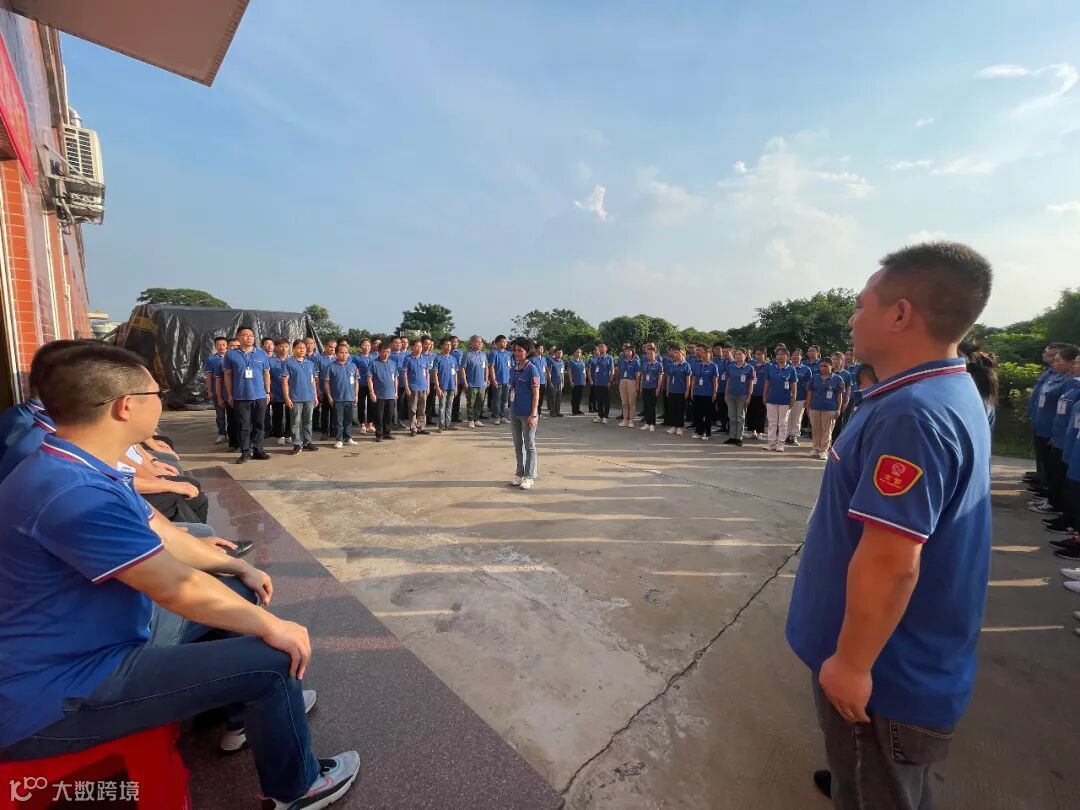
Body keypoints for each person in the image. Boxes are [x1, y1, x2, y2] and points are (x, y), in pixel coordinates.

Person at [0, 343, 360, 808]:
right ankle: (297, 788)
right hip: (60, 693)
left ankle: (244, 719)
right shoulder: (72, 491)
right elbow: (175, 586)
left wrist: (237, 565)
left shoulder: (78, 463)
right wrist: (276, 626)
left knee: (237, 590)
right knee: (271, 660)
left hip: (99, 640)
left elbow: (162, 532)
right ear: (125, 406)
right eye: (156, 394)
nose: (162, 403)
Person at [786, 241, 993, 809]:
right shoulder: (940, 389)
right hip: (895, 662)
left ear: (900, 314)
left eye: (860, 305)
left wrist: (852, 664)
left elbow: (891, 561)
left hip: (884, 677)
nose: (852, 319)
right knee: (869, 780)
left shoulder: (913, 414)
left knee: (875, 791)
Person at [222, 327, 272, 465]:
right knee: (243, 426)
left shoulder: (261, 354)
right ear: (238, 337)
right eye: (245, 335)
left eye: (251, 335)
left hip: (259, 396)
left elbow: (266, 374)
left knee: (259, 424)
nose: (249, 338)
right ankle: (245, 451)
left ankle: (258, 450)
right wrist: (230, 395)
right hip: (241, 396)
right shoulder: (231, 355)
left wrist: (267, 392)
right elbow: (227, 375)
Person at [508, 338, 540, 490]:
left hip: (527, 413)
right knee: (517, 445)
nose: (517, 353)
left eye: (520, 350)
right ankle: (519, 473)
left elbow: (536, 394)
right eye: (515, 350)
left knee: (529, 445)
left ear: (527, 352)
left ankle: (529, 476)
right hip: (515, 412)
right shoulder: (514, 369)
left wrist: (533, 415)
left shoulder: (532, 369)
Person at [284, 339, 319, 455]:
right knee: (295, 422)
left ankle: (307, 442)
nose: (302, 350)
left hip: (309, 397)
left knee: (308, 421)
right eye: (299, 348)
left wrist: (315, 396)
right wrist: (287, 398)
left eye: (303, 348)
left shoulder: (310, 363)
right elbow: (285, 382)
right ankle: (297, 444)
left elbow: (313, 381)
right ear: (293, 349)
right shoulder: (288, 363)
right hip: (295, 398)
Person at [322, 341, 359, 449]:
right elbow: (326, 383)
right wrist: (329, 397)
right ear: (336, 354)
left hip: (350, 398)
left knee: (348, 420)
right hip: (338, 399)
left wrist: (356, 395)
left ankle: (348, 438)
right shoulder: (331, 367)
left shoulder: (352, 366)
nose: (344, 355)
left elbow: (356, 381)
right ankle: (339, 439)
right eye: (342, 352)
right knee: (338, 421)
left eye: (346, 352)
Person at [806, 357, 844, 460]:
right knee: (816, 429)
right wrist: (808, 405)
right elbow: (810, 392)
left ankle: (824, 450)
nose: (823, 368)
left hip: (830, 408)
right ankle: (815, 448)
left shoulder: (837, 379)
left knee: (827, 431)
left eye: (825, 366)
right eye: (821, 366)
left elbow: (839, 395)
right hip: (815, 407)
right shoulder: (815, 378)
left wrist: (838, 409)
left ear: (831, 366)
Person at [763, 347, 797, 452]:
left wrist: (794, 397)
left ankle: (780, 443)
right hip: (771, 398)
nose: (780, 356)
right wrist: (764, 395)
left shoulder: (791, 369)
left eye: (782, 354)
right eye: (778, 354)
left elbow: (793, 384)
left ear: (787, 356)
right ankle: (771, 442)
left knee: (782, 423)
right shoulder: (771, 368)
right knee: (772, 422)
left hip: (785, 399)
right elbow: (767, 382)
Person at [723, 348, 755, 446]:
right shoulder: (730, 367)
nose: (738, 356)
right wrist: (726, 394)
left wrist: (749, 396)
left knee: (740, 417)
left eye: (740, 354)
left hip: (742, 395)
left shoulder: (749, 368)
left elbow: (751, 383)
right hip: (731, 395)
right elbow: (728, 381)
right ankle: (732, 437)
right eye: (736, 354)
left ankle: (739, 438)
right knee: (732, 417)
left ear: (745, 356)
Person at [401, 339, 432, 436]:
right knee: (412, 409)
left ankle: (421, 427)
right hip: (413, 388)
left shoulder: (424, 359)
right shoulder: (408, 359)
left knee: (422, 409)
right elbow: (405, 374)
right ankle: (413, 428)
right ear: (412, 347)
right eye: (417, 346)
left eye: (420, 346)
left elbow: (427, 373)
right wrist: (407, 388)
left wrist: (428, 386)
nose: (419, 348)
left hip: (423, 387)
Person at [368, 343, 399, 442]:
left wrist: (396, 392)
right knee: (379, 416)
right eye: (384, 352)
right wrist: (372, 393)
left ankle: (387, 432)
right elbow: (369, 378)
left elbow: (395, 378)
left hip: (391, 394)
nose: (386, 354)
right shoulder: (373, 363)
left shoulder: (392, 363)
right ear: (379, 351)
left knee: (389, 415)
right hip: (379, 395)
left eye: (388, 352)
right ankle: (379, 434)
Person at [268, 339, 292, 446]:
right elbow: (267, 377)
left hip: (291, 393)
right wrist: (269, 391)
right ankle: (279, 435)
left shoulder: (292, 360)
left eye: (286, 346)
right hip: (276, 391)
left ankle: (288, 434)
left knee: (290, 414)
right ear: (276, 347)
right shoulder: (270, 361)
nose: (284, 349)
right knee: (277, 414)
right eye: (281, 346)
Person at [204, 336, 229, 444]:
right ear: (215, 346)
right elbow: (209, 377)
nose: (221, 347)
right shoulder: (211, 359)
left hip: (231, 391)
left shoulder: (231, 358)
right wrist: (210, 390)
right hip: (217, 391)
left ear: (227, 345)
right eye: (218, 345)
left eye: (223, 344)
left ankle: (233, 434)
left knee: (233, 415)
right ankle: (222, 434)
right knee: (220, 415)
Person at [690, 348, 719, 440]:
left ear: (710, 355)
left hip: (708, 394)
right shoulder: (697, 365)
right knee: (698, 414)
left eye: (706, 353)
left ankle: (707, 432)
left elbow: (715, 381)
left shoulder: (713, 366)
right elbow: (694, 379)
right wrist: (692, 391)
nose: (704, 355)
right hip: (698, 393)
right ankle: (699, 431)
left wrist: (715, 393)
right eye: (703, 353)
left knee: (708, 415)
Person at [433, 337, 460, 432]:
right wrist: (437, 387)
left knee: (449, 406)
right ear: (442, 346)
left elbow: (455, 373)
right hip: (442, 387)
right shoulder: (438, 358)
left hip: (451, 386)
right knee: (442, 407)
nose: (449, 347)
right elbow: (435, 374)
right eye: (447, 345)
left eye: (450, 345)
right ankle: (441, 426)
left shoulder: (453, 359)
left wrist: (456, 387)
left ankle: (448, 424)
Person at [787, 348, 813, 447]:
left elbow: (809, 386)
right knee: (787, 417)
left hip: (801, 397)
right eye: (793, 355)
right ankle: (786, 435)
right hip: (786, 397)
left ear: (801, 357)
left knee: (797, 417)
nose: (795, 357)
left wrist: (808, 399)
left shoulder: (806, 370)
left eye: (797, 355)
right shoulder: (786, 368)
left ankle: (794, 436)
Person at [663, 347, 692, 436]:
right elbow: (669, 378)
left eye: (678, 353)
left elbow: (688, 379)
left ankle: (679, 427)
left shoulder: (686, 365)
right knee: (673, 409)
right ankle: (673, 426)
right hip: (672, 390)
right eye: (675, 353)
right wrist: (668, 390)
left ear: (682, 354)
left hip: (681, 391)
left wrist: (687, 391)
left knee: (680, 409)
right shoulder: (671, 365)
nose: (675, 354)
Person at [312, 339, 337, 440]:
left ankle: (334, 431)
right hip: (324, 390)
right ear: (325, 346)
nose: (332, 349)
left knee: (335, 411)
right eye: (330, 347)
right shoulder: (318, 359)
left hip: (336, 390)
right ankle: (324, 432)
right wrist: (318, 389)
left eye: (334, 347)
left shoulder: (337, 358)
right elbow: (316, 376)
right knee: (325, 412)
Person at [462, 335, 489, 428]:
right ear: (472, 343)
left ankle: (476, 419)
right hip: (471, 383)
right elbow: (462, 368)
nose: (479, 344)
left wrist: (486, 379)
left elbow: (486, 367)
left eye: (481, 343)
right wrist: (465, 382)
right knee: (471, 403)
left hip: (482, 384)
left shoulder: (483, 354)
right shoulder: (467, 354)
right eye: (477, 342)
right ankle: (470, 420)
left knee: (480, 402)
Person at [488, 335, 512, 425]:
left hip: (507, 380)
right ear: (497, 343)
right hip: (498, 380)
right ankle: (496, 416)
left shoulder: (508, 354)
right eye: (503, 342)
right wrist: (493, 379)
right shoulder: (494, 353)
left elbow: (511, 366)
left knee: (504, 399)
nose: (505, 343)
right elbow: (491, 367)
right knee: (497, 399)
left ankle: (502, 415)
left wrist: (511, 379)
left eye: (506, 342)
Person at [352, 339, 374, 434]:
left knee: (371, 405)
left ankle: (370, 424)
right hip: (361, 384)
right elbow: (354, 370)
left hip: (372, 385)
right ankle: (362, 425)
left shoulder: (374, 357)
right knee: (361, 405)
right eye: (364, 345)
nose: (366, 347)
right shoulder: (356, 358)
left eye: (368, 345)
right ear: (360, 346)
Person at [616, 344, 641, 428]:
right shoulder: (622, 361)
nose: (627, 353)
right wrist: (618, 382)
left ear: (632, 352)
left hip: (632, 381)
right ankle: (625, 419)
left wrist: (637, 385)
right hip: (623, 381)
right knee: (624, 402)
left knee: (631, 402)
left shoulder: (635, 361)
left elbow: (637, 374)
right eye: (625, 351)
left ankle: (631, 420)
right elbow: (619, 372)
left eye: (629, 351)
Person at [588, 343, 615, 424]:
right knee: (599, 400)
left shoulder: (609, 358)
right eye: (599, 347)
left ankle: (605, 416)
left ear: (606, 348)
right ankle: (600, 415)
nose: (600, 349)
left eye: (602, 347)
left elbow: (612, 370)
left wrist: (610, 381)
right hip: (597, 383)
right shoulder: (597, 358)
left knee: (606, 401)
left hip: (605, 383)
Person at [639, 347, 664, 432]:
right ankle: (647, 423)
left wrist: (658, 388)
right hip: (645, 387)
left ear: (655, 354)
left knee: (652, 406)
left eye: (651, 353)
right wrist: (641, 386)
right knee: (646, 405)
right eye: (648, 354)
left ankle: (652, 424)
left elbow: (660, 377)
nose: (649, 355)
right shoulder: (644, 364)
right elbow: (643, 376)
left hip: (653, 387)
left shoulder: (658, 365)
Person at [746, 347, 768, 439]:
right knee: (751, 413)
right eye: (756, 354)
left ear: (765, 355)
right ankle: (753, 431)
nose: (757, 356)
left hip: (762, 393)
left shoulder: (769, 366)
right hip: (751, 393)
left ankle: (760, 432)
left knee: (761, 413)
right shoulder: (751, 365)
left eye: (760, 354)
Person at [547, 347, 566, 417]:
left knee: (559, 398)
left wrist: (563, 382)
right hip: (553, 382)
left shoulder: (562, 362)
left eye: (561, 353)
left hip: (560, 382)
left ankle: (558, 411)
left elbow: (562, 373)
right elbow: (549, 372)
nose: (560, 354)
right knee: (553, 398)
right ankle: (552, 412)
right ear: (555, 353)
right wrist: (550, 382)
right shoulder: (551, 361)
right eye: (558, 353)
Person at [568, 348, 587, 415]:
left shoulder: (582, 362)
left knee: (579, 397)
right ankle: (574, 410)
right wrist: (571, 381)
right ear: (574, 353)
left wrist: (585, 380)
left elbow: (584, 372)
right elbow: (569, 372)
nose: (579, 354)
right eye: (577, 352)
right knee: (575, 397)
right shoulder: (571, 362)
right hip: (575, 382)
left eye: (580, 352)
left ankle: (577, 409)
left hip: (581, 382)